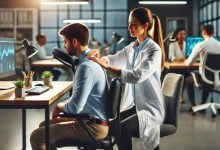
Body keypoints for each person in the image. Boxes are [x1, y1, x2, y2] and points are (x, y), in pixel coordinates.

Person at [89, 7, 165, 150]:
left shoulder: (153, 50)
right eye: (129, 23)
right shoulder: (131, 48)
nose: (130, 27)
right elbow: (113, 59)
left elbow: (137, 75)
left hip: (149, 108)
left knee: (122, 128)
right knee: (113, 125)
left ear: (145, 26)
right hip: (133, 106)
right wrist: (99, 58)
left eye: (134, 24)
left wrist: (108, 67)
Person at [30, 23, 109, 150]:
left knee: (36, 136)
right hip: (89, 119)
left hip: (93, 127)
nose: (64, 45)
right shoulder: (90, 61)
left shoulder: (86, 67)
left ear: (74, 41)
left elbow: (75, 108)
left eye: (65, 42)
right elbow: (79, 100)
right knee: (43, 125)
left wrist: (59, 105)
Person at [185, 24, 220, 112]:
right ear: (213, 33)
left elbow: (189, 63)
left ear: (203, 32)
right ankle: (203, 104)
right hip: (218, 78)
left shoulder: (201, 45)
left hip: (205, 78)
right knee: (208, 78)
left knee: (188, 80)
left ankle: (193, 105)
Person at [168, 28, 190, 103]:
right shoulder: (172, 45)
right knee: (180, 77)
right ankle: (180, 96)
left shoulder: (187, 44)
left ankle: (180, 96)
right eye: (181, 34)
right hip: (176, 68)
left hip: (186, 67)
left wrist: (181, 59)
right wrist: (183, 59)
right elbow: (172, 58)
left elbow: (190, 56)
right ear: (177, 35)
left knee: (186, 77)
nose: (182, 35)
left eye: (184, 34)